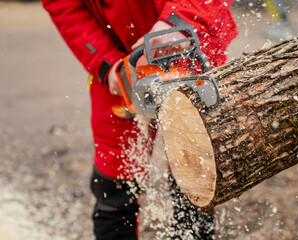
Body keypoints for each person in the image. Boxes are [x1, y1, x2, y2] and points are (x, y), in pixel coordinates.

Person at [41, 1, 238, 239]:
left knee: (194, 176)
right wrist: (106, 61)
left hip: (189, 41)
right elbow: (63, 6)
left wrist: (181, 20)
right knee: (114, 185)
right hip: (121, 56)